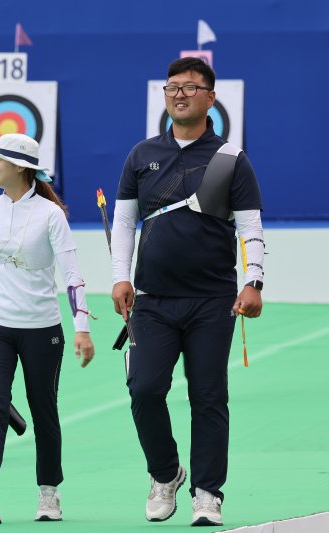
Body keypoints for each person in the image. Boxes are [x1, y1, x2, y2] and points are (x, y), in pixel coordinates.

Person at [110, 57, 265, 527]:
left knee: (208, 396)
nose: (180, 94)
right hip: (152, 300)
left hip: (212, 300)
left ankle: (207, 493)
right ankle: (166, 474)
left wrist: (253, 281)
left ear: (210, 98)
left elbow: (250, 225)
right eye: (172, 87)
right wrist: (121, 275)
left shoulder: (230, 159)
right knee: (144, 389)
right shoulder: (141, 155)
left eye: (191, 88)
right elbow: (123, 220)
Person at [0, 133, 96, 524]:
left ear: (19, 167)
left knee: (44, 410)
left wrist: (82, 327)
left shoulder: (50, 215)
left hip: (42, 328)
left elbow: (73, 277)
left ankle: (49, 493)